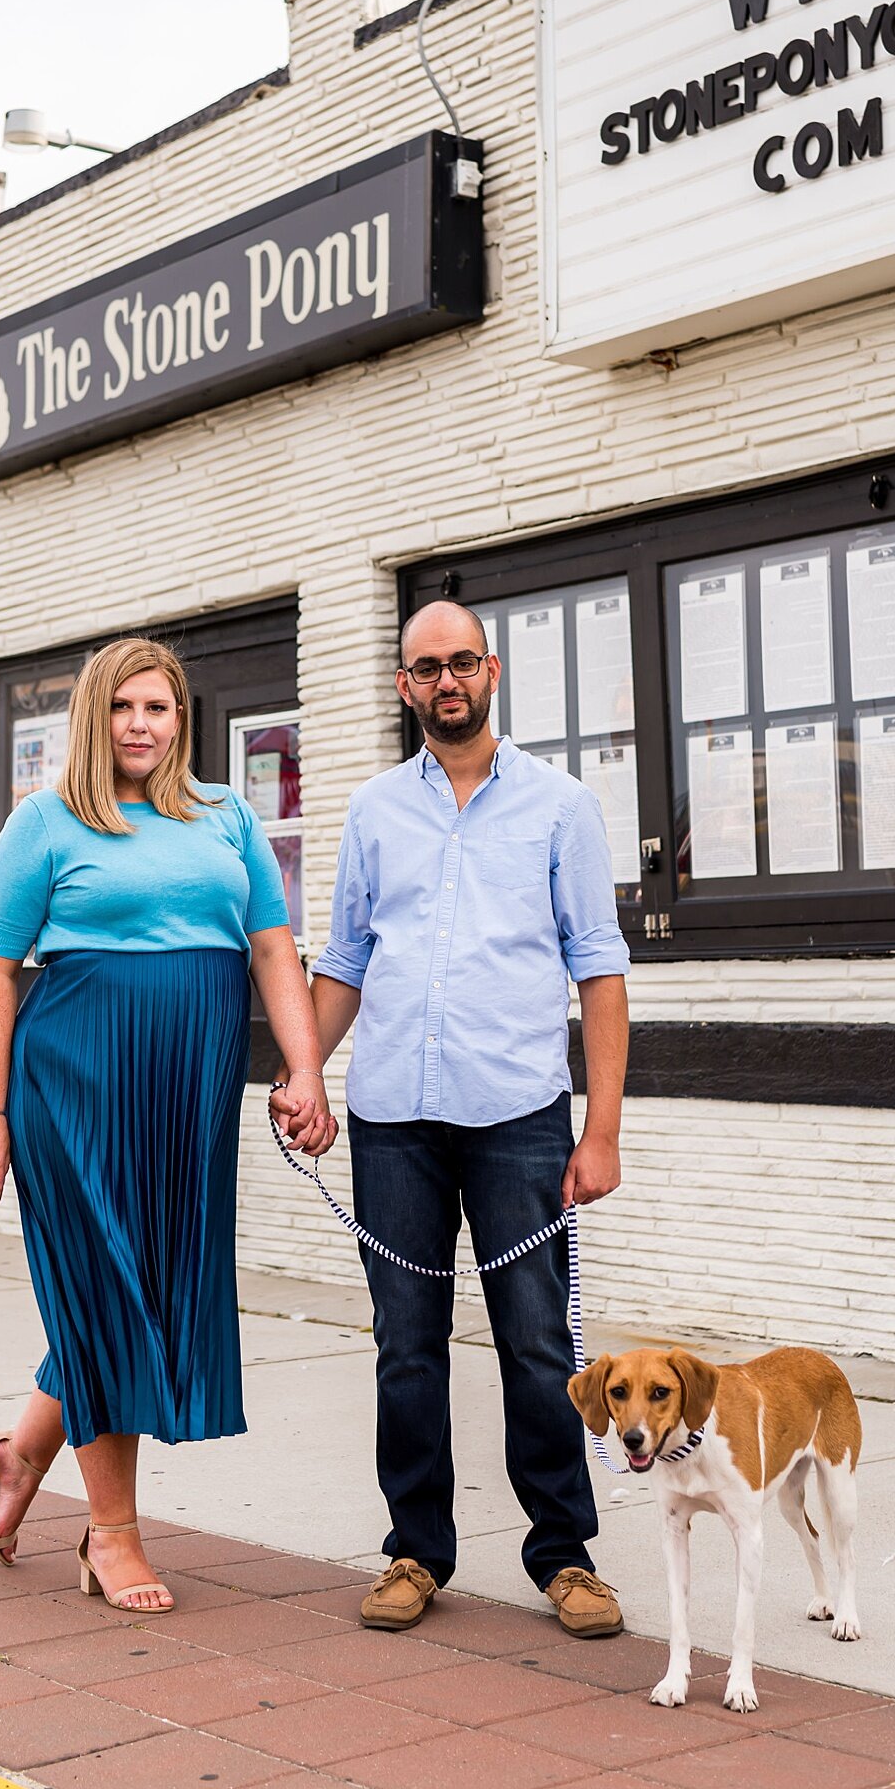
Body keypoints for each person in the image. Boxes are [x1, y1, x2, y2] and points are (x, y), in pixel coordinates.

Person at [0, 636, 333, 1613]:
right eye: (122, 706)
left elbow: (274, 949)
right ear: (93, 715)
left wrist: (305, 1070)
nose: (140, 724)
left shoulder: (226, 815)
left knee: (148, 1282)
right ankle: (111, 1534)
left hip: (188, 1089)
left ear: (181, 719)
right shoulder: (43, 821)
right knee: (108, 1285)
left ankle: (19, 1451)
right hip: (71, 1081)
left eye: (158, 708)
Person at [311, 599, 630, 1636]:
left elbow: (600, 967)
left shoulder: (560, 805)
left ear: (489, 671)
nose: (445, 681)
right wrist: (303, 1069)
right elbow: (348, 958)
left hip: (520, 1114)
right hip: (391, 1114)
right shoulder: (371, 811)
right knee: (406, 1344)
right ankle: (416, 1549)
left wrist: (604, 1130)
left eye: (461, 662)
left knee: (539, 1342)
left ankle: (564, 1553)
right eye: (425, 668)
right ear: (404, 686)